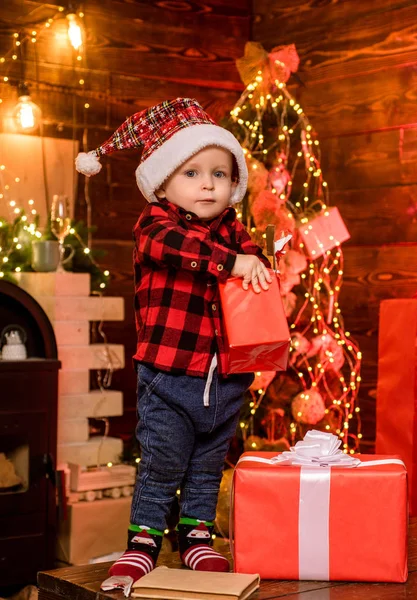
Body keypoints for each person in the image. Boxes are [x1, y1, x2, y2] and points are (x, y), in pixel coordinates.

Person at [75, 98, 272, 592]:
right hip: (169, 376)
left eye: (220, 174)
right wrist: (233, 263)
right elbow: (184, 251)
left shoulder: (234, 231)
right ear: (162, 182)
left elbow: (252, 260)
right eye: (192, 172)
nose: (208, 183)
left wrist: (258, 262)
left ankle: (197, 535)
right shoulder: (156, 226)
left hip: (225, 379)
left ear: (234, 185)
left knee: (208, 465)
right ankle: (142, 543)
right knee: (162, 464)